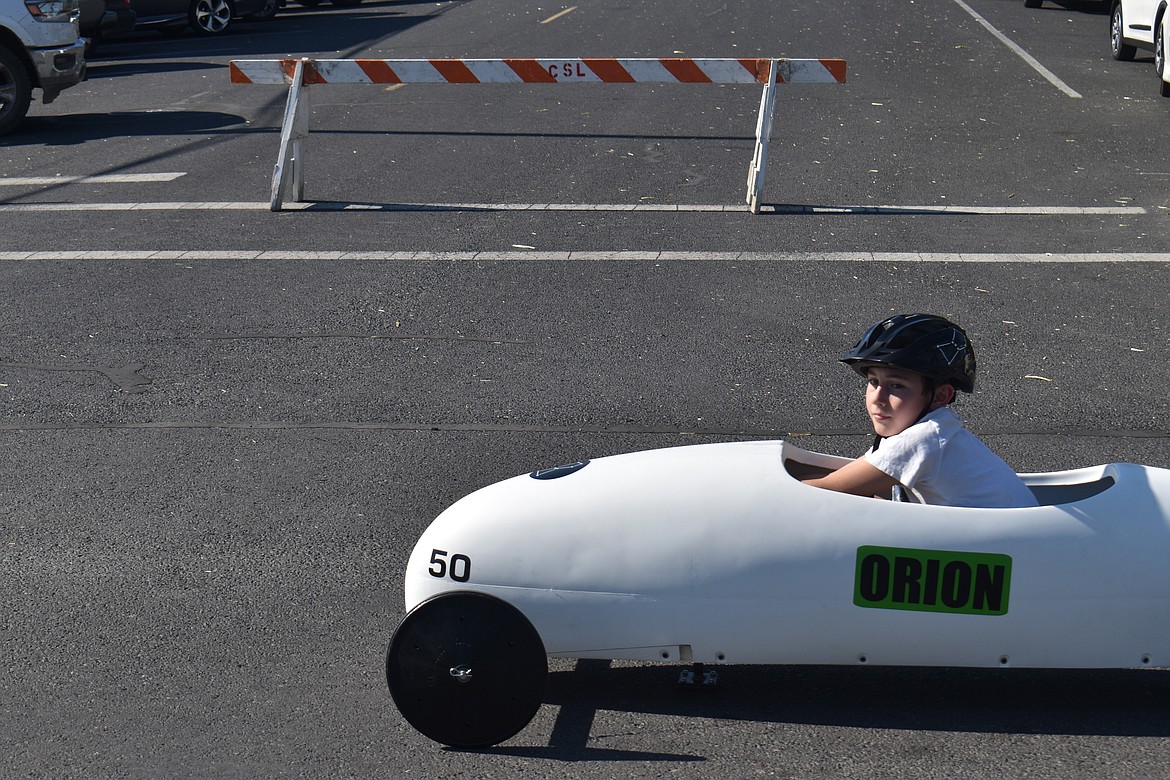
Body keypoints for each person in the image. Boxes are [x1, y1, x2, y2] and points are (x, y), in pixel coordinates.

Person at [801, 313, 1038, 508]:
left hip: (1011, 550)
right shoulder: (934, 429)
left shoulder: (922, 439)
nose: (878, 398)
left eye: (896, 386)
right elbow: (854, 479)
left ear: (941, 396)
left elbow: (826, 491)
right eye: (873, 382)